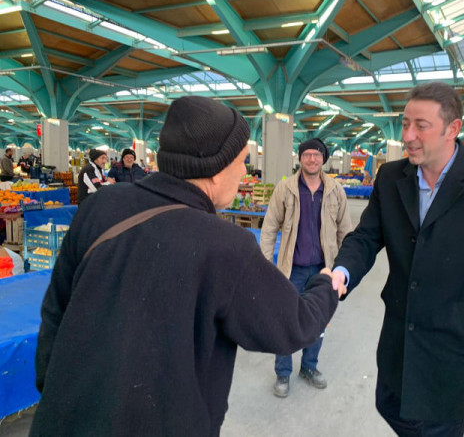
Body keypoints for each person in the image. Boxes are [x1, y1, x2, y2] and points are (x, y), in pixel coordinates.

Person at [30, 96, 338, 437]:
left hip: (61, 421)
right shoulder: (226, 245)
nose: (243, 171)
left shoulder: (101, 207)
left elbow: (55, 312)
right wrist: (326, 285)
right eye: (242, 161)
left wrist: (56, 391)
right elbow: (292, 326)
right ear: (217, 167)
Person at [330, 82, 464, 436]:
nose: (408, 136)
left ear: (453, 129)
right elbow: (366, 236)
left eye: (421, 126)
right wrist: (342, 271)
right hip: (398, 346)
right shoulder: (391, 177)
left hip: (451, 355)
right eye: (405, 124)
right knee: (392, 410)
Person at [261, 137, 352, 398]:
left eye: (317, 154)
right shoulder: (286, 189)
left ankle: (309, 367)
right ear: (300, 158)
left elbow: (346, 232)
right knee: (286, 320)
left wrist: (343, 267)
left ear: (324, 159)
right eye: (307, 154)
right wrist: (265, 265)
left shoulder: (335, 190)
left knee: (318, 322)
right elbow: (269, 227)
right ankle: (283, 372)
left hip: (324, 270)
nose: (312, 159)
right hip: (292, 270)